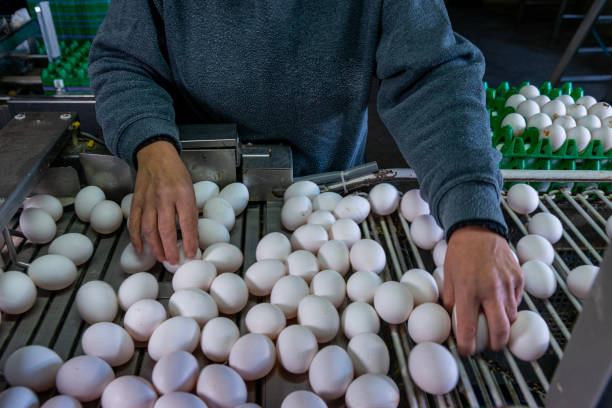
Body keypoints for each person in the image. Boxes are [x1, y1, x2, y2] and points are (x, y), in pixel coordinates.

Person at [89, 0, 523, 355]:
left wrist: (472, 215)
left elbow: (432, 75)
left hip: (328, 194)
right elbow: (124, 59)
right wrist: (152, 146)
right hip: (197, 188)